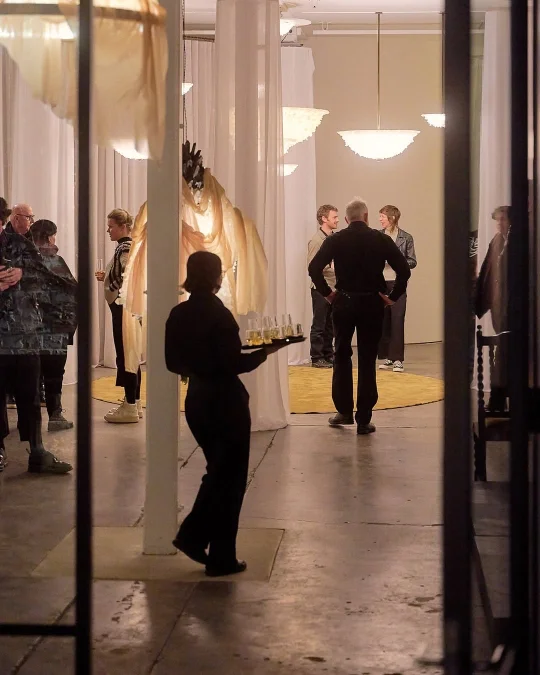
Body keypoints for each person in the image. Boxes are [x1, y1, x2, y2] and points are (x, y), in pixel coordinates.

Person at [165, 251, 286, 577]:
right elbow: (233, 364)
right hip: (225, 404)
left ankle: (204, 545)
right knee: (229, 481)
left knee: (218, 473)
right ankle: (209, 548)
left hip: (196, 401)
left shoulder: (178, 313)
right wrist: (266, 351)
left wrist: (199, 366)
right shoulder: (220, 315)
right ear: (216, 277)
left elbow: (172, 363)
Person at [308, 197, 410, 435]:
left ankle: (344, 411)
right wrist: (392, 296)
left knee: (341, 354)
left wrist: (328, 294)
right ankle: (364, 419)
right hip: (372, 303)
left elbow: (314, 268)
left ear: (346, 219)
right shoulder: (381, 239)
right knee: (367, 358)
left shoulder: (335, 239)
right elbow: (404, 270)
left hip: (344, 302)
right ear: (365, 216)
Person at [0, 212, 76, 473]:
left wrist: (22, 274)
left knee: (30, 395)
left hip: (25, 335)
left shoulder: (21, 245)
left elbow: (49, 281)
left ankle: (37, 450)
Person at [95, 208, 142, 424]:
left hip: (123, 309)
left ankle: (130, 404)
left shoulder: (125, 247)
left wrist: (112, 284)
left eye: (111, 226)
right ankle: (134, 402)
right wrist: (108, 276)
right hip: (128, 309)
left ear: (123, 226)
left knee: (125, 354)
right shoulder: (127, 246)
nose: (108, 230)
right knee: (131, 354)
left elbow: (127, 275)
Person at [30, 219, 76, 431]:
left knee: (32, 376)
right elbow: (72, 292)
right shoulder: (54, 261)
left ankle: (28, 421)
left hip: (29, 330)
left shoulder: (23, 261)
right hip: (55, 328)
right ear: (49, 237)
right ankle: (55, 415)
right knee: (54, 374)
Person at [475, 205, 510, 412]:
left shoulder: (518, 242)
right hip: (498, 306)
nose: (499, 224)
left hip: (511, 307)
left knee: (504, 353)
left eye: (503, 219)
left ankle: (498, 401)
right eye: (498, 220)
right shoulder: (497, 240)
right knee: (502, 351)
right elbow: (487, 270)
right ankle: (498, 401)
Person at [377, 205, 417, 373]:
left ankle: (398, 359)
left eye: (382, 216)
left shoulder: (406, 237)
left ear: (392, 218)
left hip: (397, 283)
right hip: (380, 284)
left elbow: (412, 261)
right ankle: (388, 357)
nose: (380, 219)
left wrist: (396, 261)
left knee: (397, 320)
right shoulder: (377, 236)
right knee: (383, 320)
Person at [307, 205, 339, 368]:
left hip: (334, 287)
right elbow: (312, 266)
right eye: (334, 217)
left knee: (330, 324)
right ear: (324, 219)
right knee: (319, 323)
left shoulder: (333, 238)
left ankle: (328, 354)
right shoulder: (317, 240)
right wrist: (332, 266)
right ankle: (317, 356)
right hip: (320, 288)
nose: (337, 220)